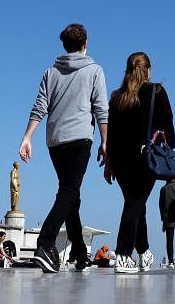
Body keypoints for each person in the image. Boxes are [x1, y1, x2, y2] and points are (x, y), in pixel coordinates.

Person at [19, 23, 109, 274]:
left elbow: (40, 106)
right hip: (80, 139)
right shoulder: (94, 70)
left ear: (64, 45)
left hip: (55, 141)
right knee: (69, 191)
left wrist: (27, 137)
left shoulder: (50, 72)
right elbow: (101, 109)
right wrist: (105, 141)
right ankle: (45, 244)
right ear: (85, 44)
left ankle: (79, 252)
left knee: (72, 195)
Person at [104, 51, 174, 274]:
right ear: (149, 70)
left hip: (121, 160)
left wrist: (109, 162)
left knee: (136, 204)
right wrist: (169, 154)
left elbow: (111, 133)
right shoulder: (157, 91)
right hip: (147, 157)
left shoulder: (116, 97)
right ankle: (123, 254)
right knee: (135, 203)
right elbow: (169, 124)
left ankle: (143, 252)